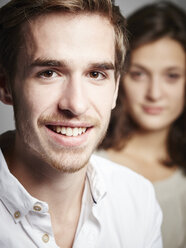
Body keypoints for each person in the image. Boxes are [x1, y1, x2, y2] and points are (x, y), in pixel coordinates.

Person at [0, 0, 162, 247]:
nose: (75, 105)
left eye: (96, 74)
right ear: (5, 86)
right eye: (49, 72)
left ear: (116, 88)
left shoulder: (138, 199)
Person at [98, 1, 186, 248]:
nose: (154, 94)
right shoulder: (89, 164)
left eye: (172, 76)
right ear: (119, 76)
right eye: (139, 74)